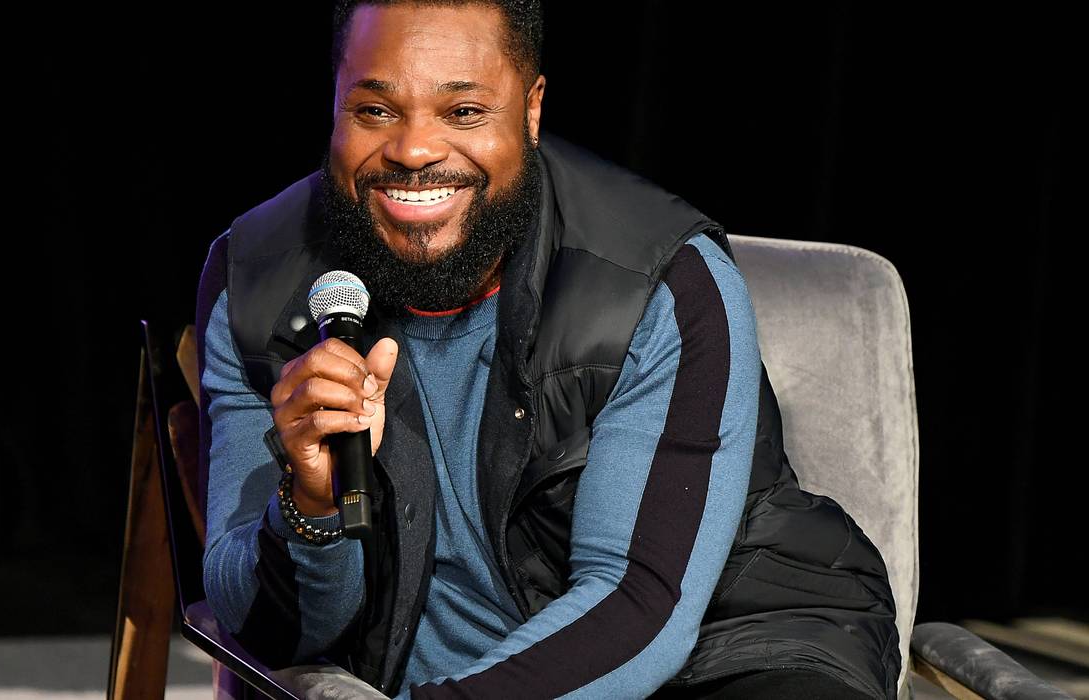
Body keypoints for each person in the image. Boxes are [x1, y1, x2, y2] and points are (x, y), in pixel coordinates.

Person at [196, 1, 902, 698]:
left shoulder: (656, 280)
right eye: (374, 111)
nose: (413, 150)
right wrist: (311, 506)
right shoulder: (260, 279)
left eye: (463, 112)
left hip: (731, 647)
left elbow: (637, 600)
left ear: (530, 110)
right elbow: (259, 625)